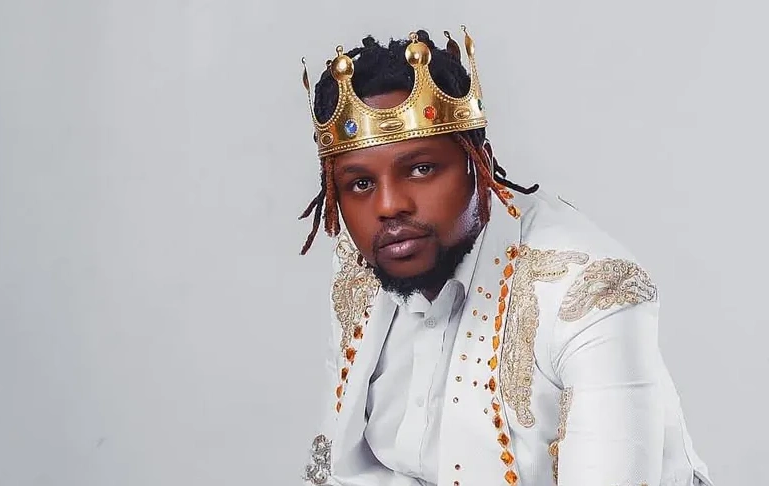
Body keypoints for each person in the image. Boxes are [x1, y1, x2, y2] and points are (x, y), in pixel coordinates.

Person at [295, 26, 713, 486]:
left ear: (481, 164)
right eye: (360, 184)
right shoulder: (360, 265)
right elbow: (344, 470)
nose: (389, 206)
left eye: (421, 168)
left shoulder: (590, 292)